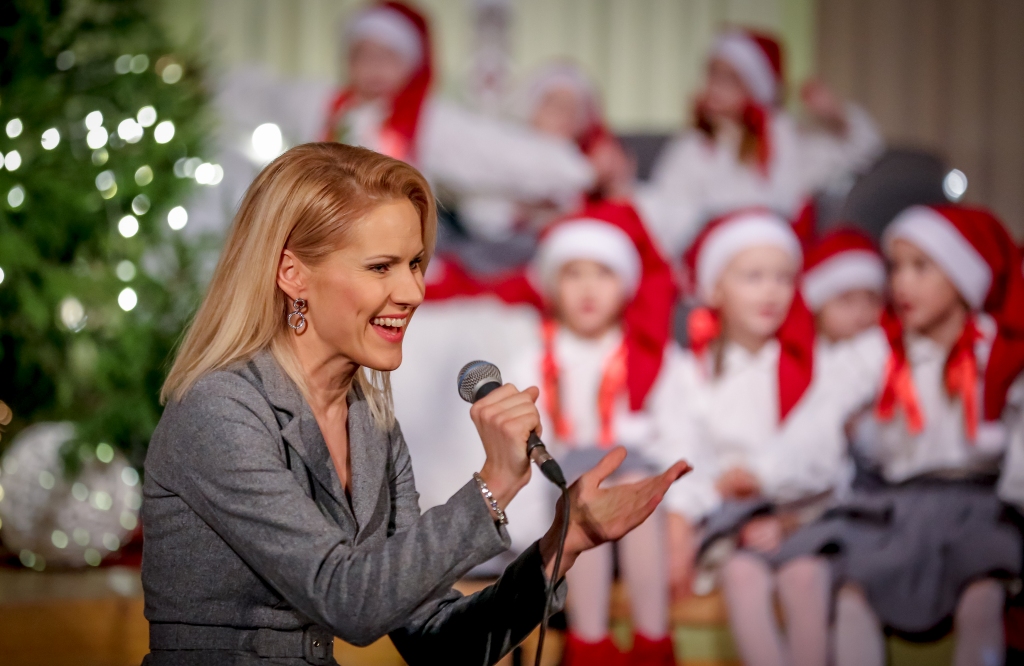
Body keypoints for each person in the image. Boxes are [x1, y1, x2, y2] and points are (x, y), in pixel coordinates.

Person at [140, 143, 690, 666]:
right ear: (293, 274)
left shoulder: (371, 425)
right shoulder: (219, 411)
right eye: (381, 267)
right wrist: (493, 484)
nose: (413, 292)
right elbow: (347, 600)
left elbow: (438, 642)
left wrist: (560, 545)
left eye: (416, 263)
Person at [775, 204, 1024, 666]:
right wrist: (776, 480)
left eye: (920, 267)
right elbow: (818, 414)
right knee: (854, 595)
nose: (901, 283)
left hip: (979, 506)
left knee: (982, 597)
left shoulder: (996, 350)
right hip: (897, 507)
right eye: (896, 268)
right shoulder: (880, 351)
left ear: (961, 274)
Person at [661, 209, 873, 666]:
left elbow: (825, 459)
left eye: (783, 277)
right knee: (742, 576)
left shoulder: (812, 367)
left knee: (805, 577)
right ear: (715, 288)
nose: (772, 290)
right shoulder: (694, 372)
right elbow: (683, 455)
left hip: (807, 515)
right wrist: (703, 504)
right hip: (730, 523)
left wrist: (787, 516)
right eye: (753, 276)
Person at [501, 201, 678, 666]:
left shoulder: (646, 354)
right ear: (552, 285)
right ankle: (590, 641)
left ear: (625, 286)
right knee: (585, 498)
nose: (587, 288)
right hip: (564, 487)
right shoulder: (535, 356)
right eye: (572, 273)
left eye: (602, 273)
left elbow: (673, 435)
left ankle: (652, 638)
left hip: (632, 485)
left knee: (624, 481)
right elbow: (523, 442)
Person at [323, 1, 594, 241]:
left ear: (411, 63)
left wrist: (580, 170)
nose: (375, 67)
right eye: (363, 55)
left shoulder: (429, 120)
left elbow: (497, 155)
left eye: (387, 56)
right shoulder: (332, 112)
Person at [635, 29, 883, 257]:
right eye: (712, 75)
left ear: (755, 86)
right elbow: (670, 207)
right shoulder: (693, 145)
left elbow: (863, 149)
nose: (716, 87)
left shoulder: (786, 141)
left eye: (730, 79)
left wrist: (837, 114)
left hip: (776, 253)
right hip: (715, 256)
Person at [801, 228, 886, 343]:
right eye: (847, 299)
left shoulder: (889, 351)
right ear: (818, 308)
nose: (862, 311)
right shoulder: (796, 355)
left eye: (872, 299)